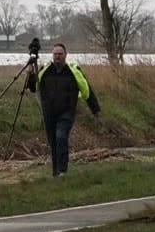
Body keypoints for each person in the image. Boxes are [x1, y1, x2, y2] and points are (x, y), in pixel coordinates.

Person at [27, 41, 101, 176]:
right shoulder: (44, 70)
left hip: (66, 113)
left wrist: (95, 110)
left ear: (66, 55)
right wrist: (30, 74)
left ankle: (63, 170)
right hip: (49, 113)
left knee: (61, 137)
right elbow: (32, 88)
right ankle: (56, 172)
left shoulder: (74, 71)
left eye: (60, 54)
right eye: (55, 54)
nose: (57, 57)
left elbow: (87, 90)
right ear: (52, 55)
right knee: (53, 143)